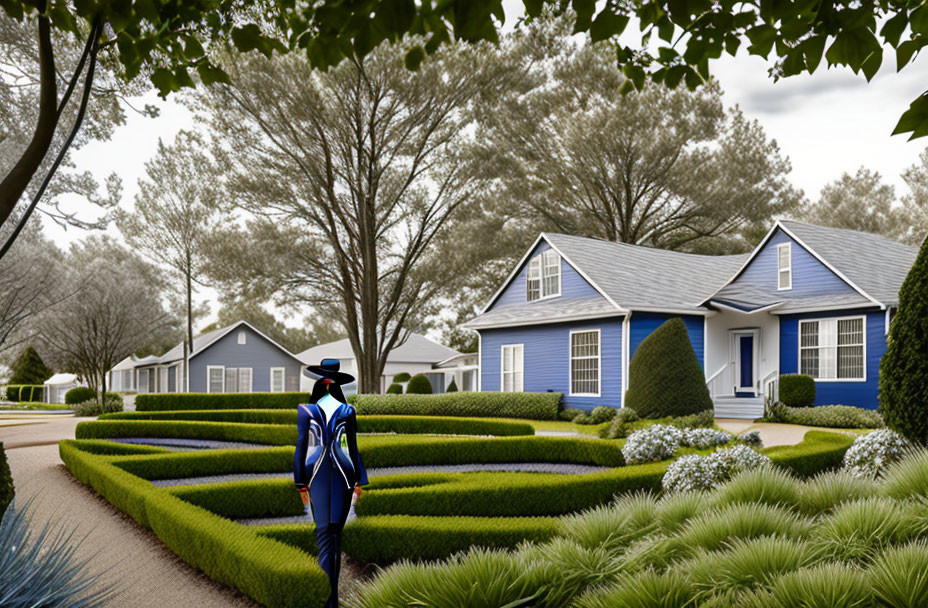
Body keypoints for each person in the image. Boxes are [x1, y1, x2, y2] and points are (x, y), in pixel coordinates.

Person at [293, 358, 367, 608]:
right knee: (334, 535)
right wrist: (360, 479)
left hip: (315, 473)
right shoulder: (347, 411)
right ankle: (331, 598)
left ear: (320, 383)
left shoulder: (306, 410)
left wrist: (299, 481)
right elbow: (354, 450)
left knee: (325, 534)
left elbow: (301, 447)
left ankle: (329, 599)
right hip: (344, 473)